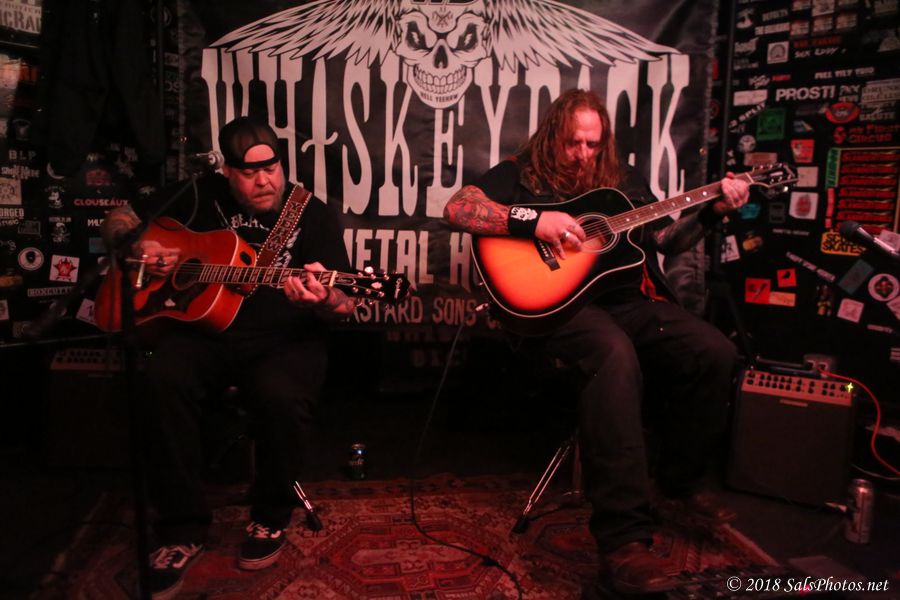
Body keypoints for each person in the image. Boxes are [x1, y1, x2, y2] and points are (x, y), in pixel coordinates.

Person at [443, 89, 750, 594]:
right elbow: (458, 209)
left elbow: (667, 241)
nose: (583, 154)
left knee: (713, 350)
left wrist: (712, 212)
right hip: (557, 312)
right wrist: (535, 220)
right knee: (612, 353)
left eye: (592, 144)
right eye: (572, 143)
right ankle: (623, 542)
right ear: (552, 136)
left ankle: (676, 488)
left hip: (624, 303)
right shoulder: (520, 172)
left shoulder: (622, 181)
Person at [101, 116, 356, 599]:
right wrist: (136, 246)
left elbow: (346, 305)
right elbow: (120, 217)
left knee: (280, 394)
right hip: (204, 336)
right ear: (227, 172)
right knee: (160, 378)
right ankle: (180, 529)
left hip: (284, 340)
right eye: (249, 173)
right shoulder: (199, 194)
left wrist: (325, 298)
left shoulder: (312, 215)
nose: (264, 181)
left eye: (271, 169)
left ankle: (270, 516)